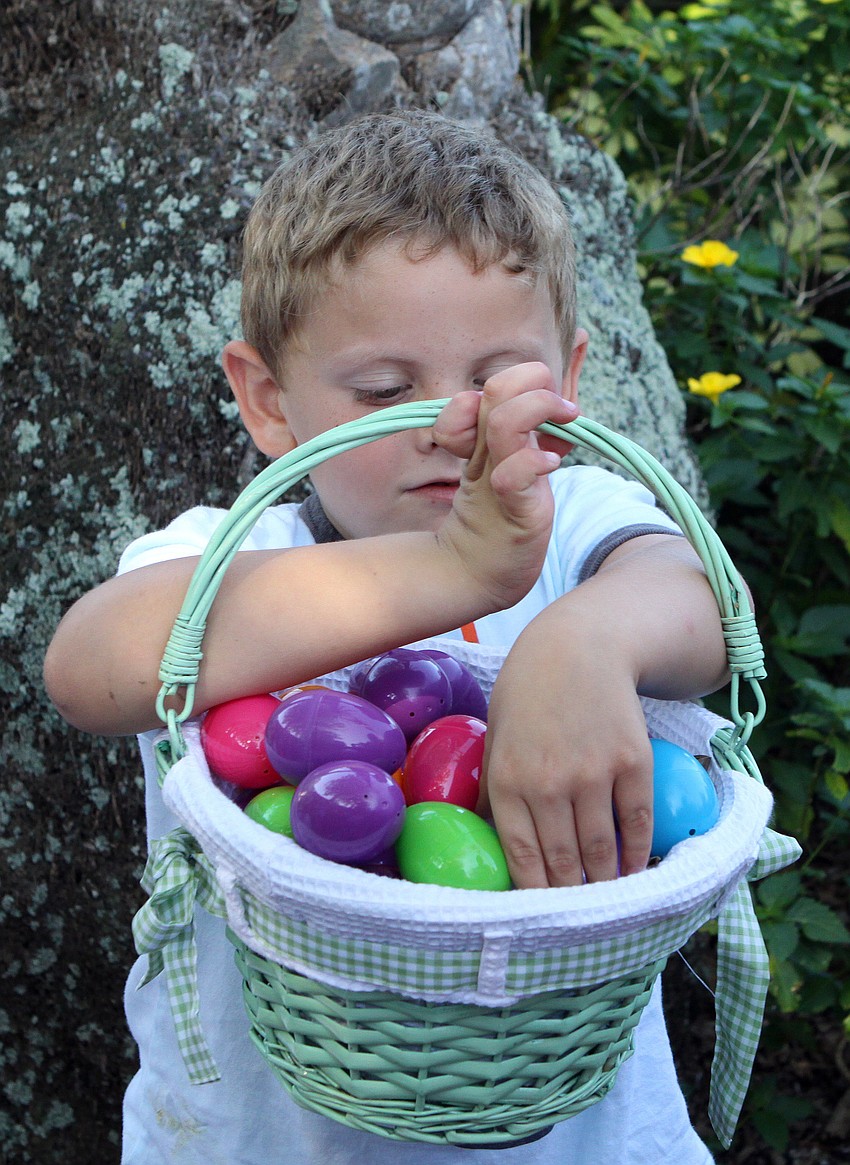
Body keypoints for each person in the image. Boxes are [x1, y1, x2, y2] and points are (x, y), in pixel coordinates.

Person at [44, 111, 726, 1163]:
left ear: (569, 376)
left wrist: (580, 642)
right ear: (269, 403)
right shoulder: (236, 549)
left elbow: (706, 605)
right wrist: (452, 569)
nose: (447, 423)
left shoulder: (572, 521)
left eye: (496, 379)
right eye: (382, 390)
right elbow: (91, 670)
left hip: (580, 1138)